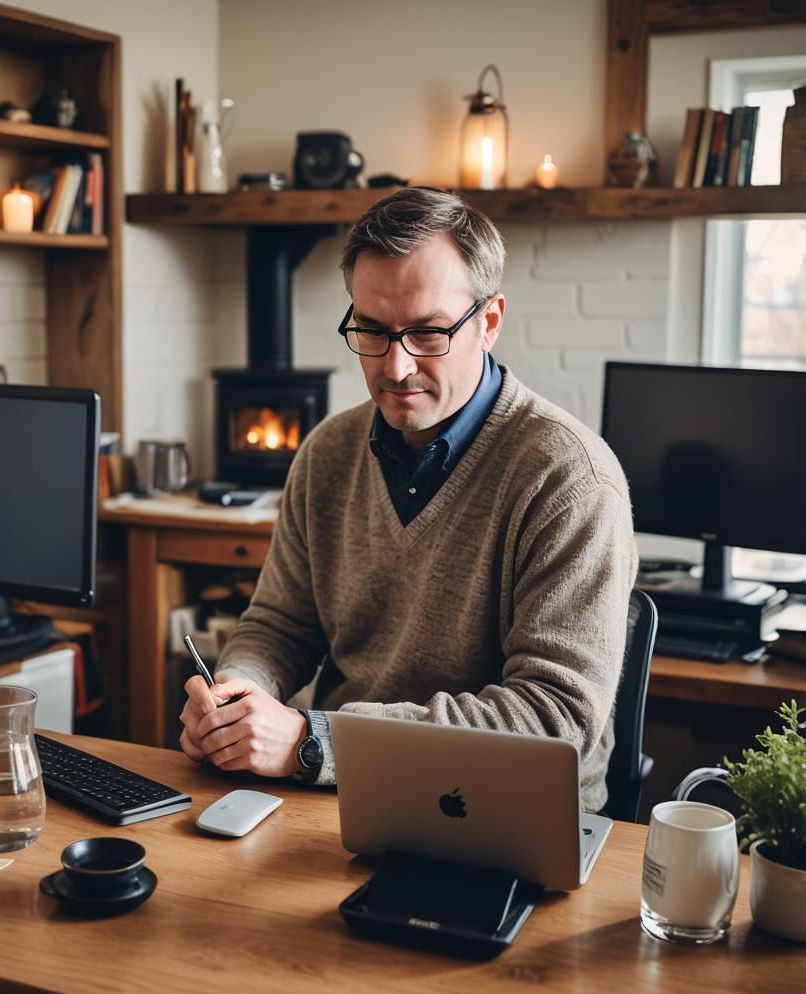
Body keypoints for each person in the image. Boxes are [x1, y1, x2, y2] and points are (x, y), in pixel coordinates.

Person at [179, 187, 637, 811]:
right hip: (341, 793)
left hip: (506, 811)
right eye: (371, 330)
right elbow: (280, 624)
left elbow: (554, 720)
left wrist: (315, 742)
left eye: (426, 333)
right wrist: (238, 692)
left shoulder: (570, 479)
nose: (394, 368)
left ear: (490, 322)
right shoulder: (327, 453)